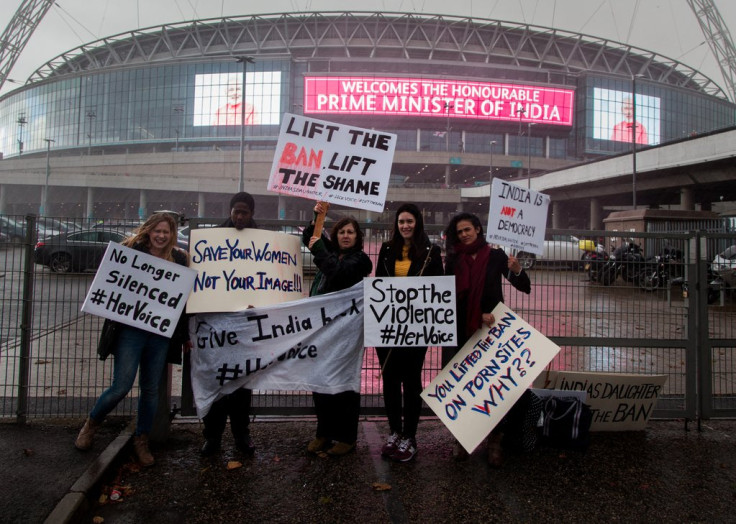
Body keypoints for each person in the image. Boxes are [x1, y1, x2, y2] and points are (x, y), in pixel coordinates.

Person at [75, 212, 191, 466]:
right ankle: (91, 424)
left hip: (160, 334)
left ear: (172, 235)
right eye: (157, 231)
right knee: (121, 386)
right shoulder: (130, 252)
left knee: (150, 390)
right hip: (130, 331)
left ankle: (142, 440)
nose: (161, 236)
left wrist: (184, 336)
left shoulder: (180, 260)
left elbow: (181, 303)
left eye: (166, 232)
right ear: (148, 231)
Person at [443, 212, 531, 466]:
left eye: (467, 229)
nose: (464, 235)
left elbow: (523, 286)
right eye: (459, 232)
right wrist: (475, 315)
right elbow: (449, 297)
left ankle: (495, 440)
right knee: (461, 387)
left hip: (492, 332)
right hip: (461, 330)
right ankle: (461, 438)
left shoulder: (496, 256)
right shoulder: (453, 259)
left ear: (478, 229)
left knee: (491, 387)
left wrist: (517, 270)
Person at [301, 202, 373, 456]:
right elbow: (309, 237)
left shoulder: (361, 261)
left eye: (350, 232)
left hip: (346, 335)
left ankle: (346, 437)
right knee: (320, 381)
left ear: (358, 237)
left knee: (343, 384)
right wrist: (317, 215)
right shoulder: (330, 251)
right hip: (321, 330)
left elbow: (337, 273)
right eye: (341, 231)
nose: (345, 236)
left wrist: (319, 247)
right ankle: (324, 433)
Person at [375, 203, 444, 463]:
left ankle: (410, 436)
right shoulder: (387, 249)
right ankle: (394, 432)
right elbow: (379, 283)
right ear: (396, 224)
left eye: (410, 221)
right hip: (389, 325)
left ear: (418, 223)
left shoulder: (431, 251)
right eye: (401, 221)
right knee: (390, 379)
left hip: (417, 326)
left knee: (411, 380)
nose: (405, 226)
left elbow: (437, 286)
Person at [199, 192, 259, 457]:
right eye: (236, 211)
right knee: (216, 383)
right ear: (230, 211)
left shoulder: (262, 240)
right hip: (216, 323)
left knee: (242, 384)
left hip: (245, 325)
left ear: (251, 214)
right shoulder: (214, 239)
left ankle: (241, 434)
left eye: (244, 212)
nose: (239, 216)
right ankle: (212, 436)